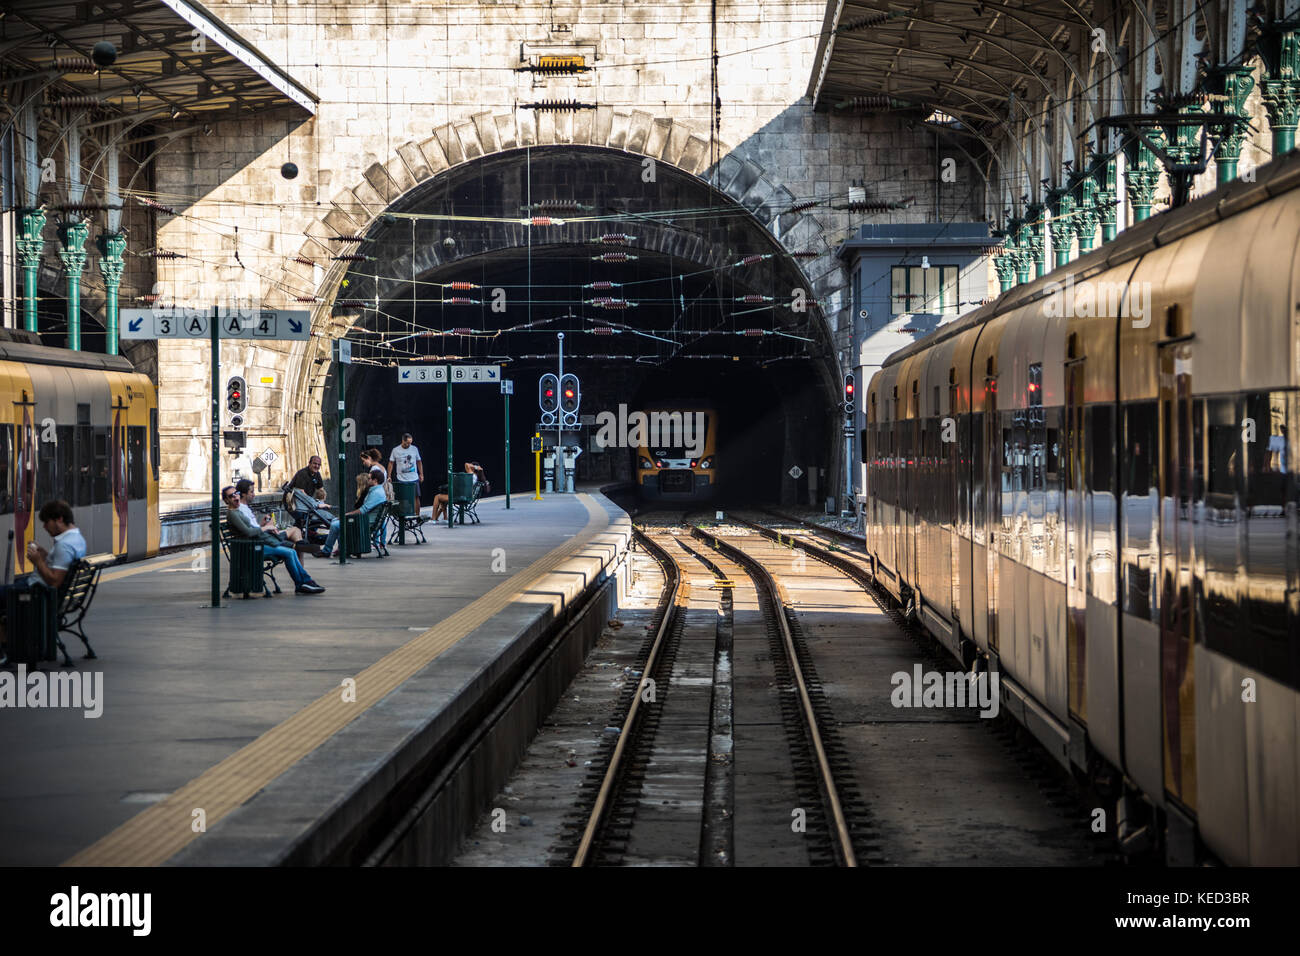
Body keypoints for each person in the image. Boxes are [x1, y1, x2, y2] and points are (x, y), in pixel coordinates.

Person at [0, 501, 90, 658]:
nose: (44, 527)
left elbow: (55, 582)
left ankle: (5, 647)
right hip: (43, 592)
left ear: (59, 520)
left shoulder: (64, 545)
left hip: (37, 595)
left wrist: (38, 561)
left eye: (46, 522)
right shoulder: (77, 539)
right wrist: (45, 555)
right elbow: (60, 566)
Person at [224, 486, 325, 595]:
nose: (235, 496)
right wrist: (266, 528)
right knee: (290, 552)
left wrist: (262, 525)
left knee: (291, 552)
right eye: (231, 496)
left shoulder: (237, 511)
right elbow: (248, 532)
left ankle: (305, 582)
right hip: (251, 548)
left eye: (236, 493)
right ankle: (302, 583)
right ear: (226, 500)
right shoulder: (233, 514)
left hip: (255, 544)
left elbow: (251, 530)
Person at [319, 471, 387, 559]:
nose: (368, 480)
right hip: (366, 521)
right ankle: (343, 549)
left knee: (335, 525)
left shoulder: (376, 493)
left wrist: (346, 515)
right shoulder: (378, 490)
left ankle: (327, 551)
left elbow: (362, 510)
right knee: (336, 521)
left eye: (369, 478)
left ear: (375, 481)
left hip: (365, 523)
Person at [236, 478, 302, 544]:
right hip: (261, 539)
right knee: (295, 531)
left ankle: (298, 549)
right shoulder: (241, 510)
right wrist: (267, 527)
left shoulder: (244, 508)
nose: (254, 495)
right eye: (251, 492)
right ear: (243, 494)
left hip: (261, 536)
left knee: (296, 533)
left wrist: (262, 524)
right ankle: (299, 550)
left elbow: (254, 528)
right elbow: (251, 532)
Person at [388, 433, 424, 515]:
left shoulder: (414, 449)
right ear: (402, 441)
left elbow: (419, 461)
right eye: (407, 443)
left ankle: (417, 515)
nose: (409, 445)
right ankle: (405, 515)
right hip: (401, 478)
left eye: (410, 443)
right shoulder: (395, 450)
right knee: (403, 498)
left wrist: (421, 474)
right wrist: (389, 476)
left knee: (416, 497)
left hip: (414, 477)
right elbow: (391, 463)